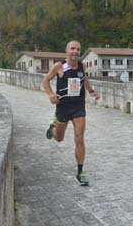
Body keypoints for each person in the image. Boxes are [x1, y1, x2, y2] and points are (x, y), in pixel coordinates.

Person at [42, 40, 100, 186]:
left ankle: (80, 172)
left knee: (79, 138)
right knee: (59, 138)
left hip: (78, 107)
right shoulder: (59, 66)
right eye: (72, 48)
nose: (75, 51)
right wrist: (50, 94)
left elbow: (84, 79)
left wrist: (91, 90)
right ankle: (53, 127)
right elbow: (46, 80)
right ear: (67, 50)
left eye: (78, 49)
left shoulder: (82, 65)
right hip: (63, 107)